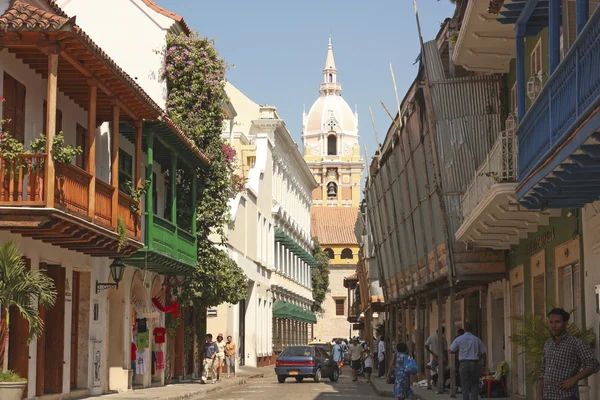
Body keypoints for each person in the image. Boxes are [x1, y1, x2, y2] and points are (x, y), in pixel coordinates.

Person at [538, 308, 600, 400]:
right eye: (551, 322)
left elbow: (594, 364)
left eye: (557, 322)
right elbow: (543, 371)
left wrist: (574, 379)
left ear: (565, 323)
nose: (553, 326)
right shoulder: (548, 344)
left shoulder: (575, 343)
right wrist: (540, 394)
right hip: (548, 396)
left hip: (566, 396)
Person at [450, 322, 487, 400]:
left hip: (463, 364)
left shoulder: (459, 339)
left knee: (465, 384)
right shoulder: (476, 339)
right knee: (474, 384)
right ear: (472, 329)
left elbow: (450, 350)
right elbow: (483, 352)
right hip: (474, 364)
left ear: (465, 329)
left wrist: (458, 350)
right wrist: (484, 363)